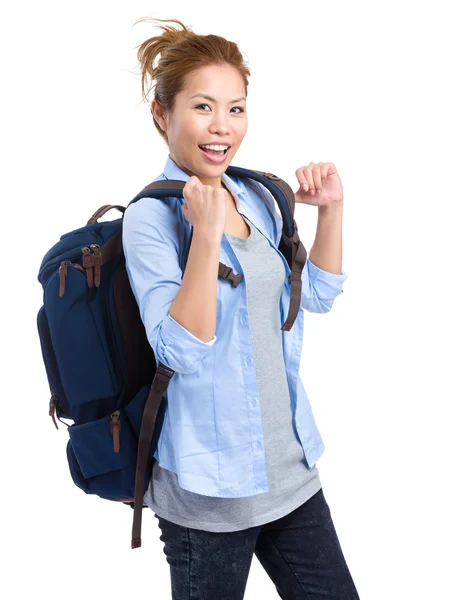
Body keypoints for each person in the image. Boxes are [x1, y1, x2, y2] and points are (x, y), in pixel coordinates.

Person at [122, 16, 360, 600]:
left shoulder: (255, 194)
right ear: (162, 114)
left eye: (236, 108)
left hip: (290, 474)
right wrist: (204, 237)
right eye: (203, 107)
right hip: (209, 495)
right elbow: (179, 349)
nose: (222, 128)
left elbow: (316, 298)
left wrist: (330, 210)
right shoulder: (149, 219)